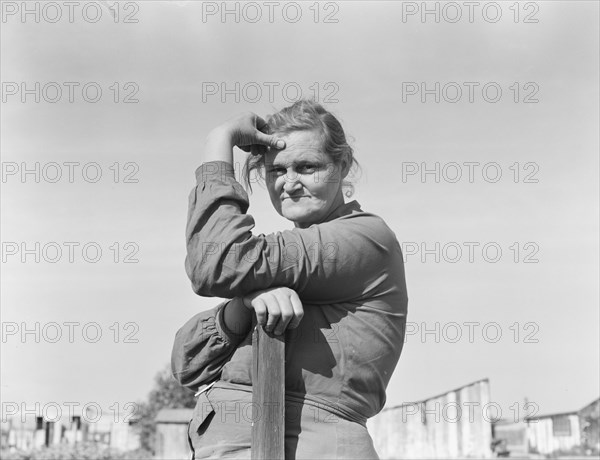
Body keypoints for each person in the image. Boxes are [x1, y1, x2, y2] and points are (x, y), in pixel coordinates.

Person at [172, 99, 408, 459]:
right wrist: (243, 305)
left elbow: (215, 263)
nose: (289, 183)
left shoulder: (364, 239)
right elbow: (186, 364)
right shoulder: (278, 266)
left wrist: (218, 142)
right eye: (276, 170)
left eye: (307, 166)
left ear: (342, 166)